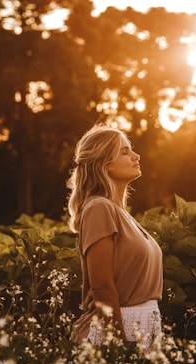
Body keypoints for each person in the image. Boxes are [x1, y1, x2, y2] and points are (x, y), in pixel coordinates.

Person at [67, 123, 163, 349]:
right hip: (118, 330)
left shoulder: (119, 213)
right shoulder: (99, 208)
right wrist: (118, 343)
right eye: (124, 151)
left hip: (143, 326)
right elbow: (101, 286)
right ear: (105, 165)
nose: (136, 156)